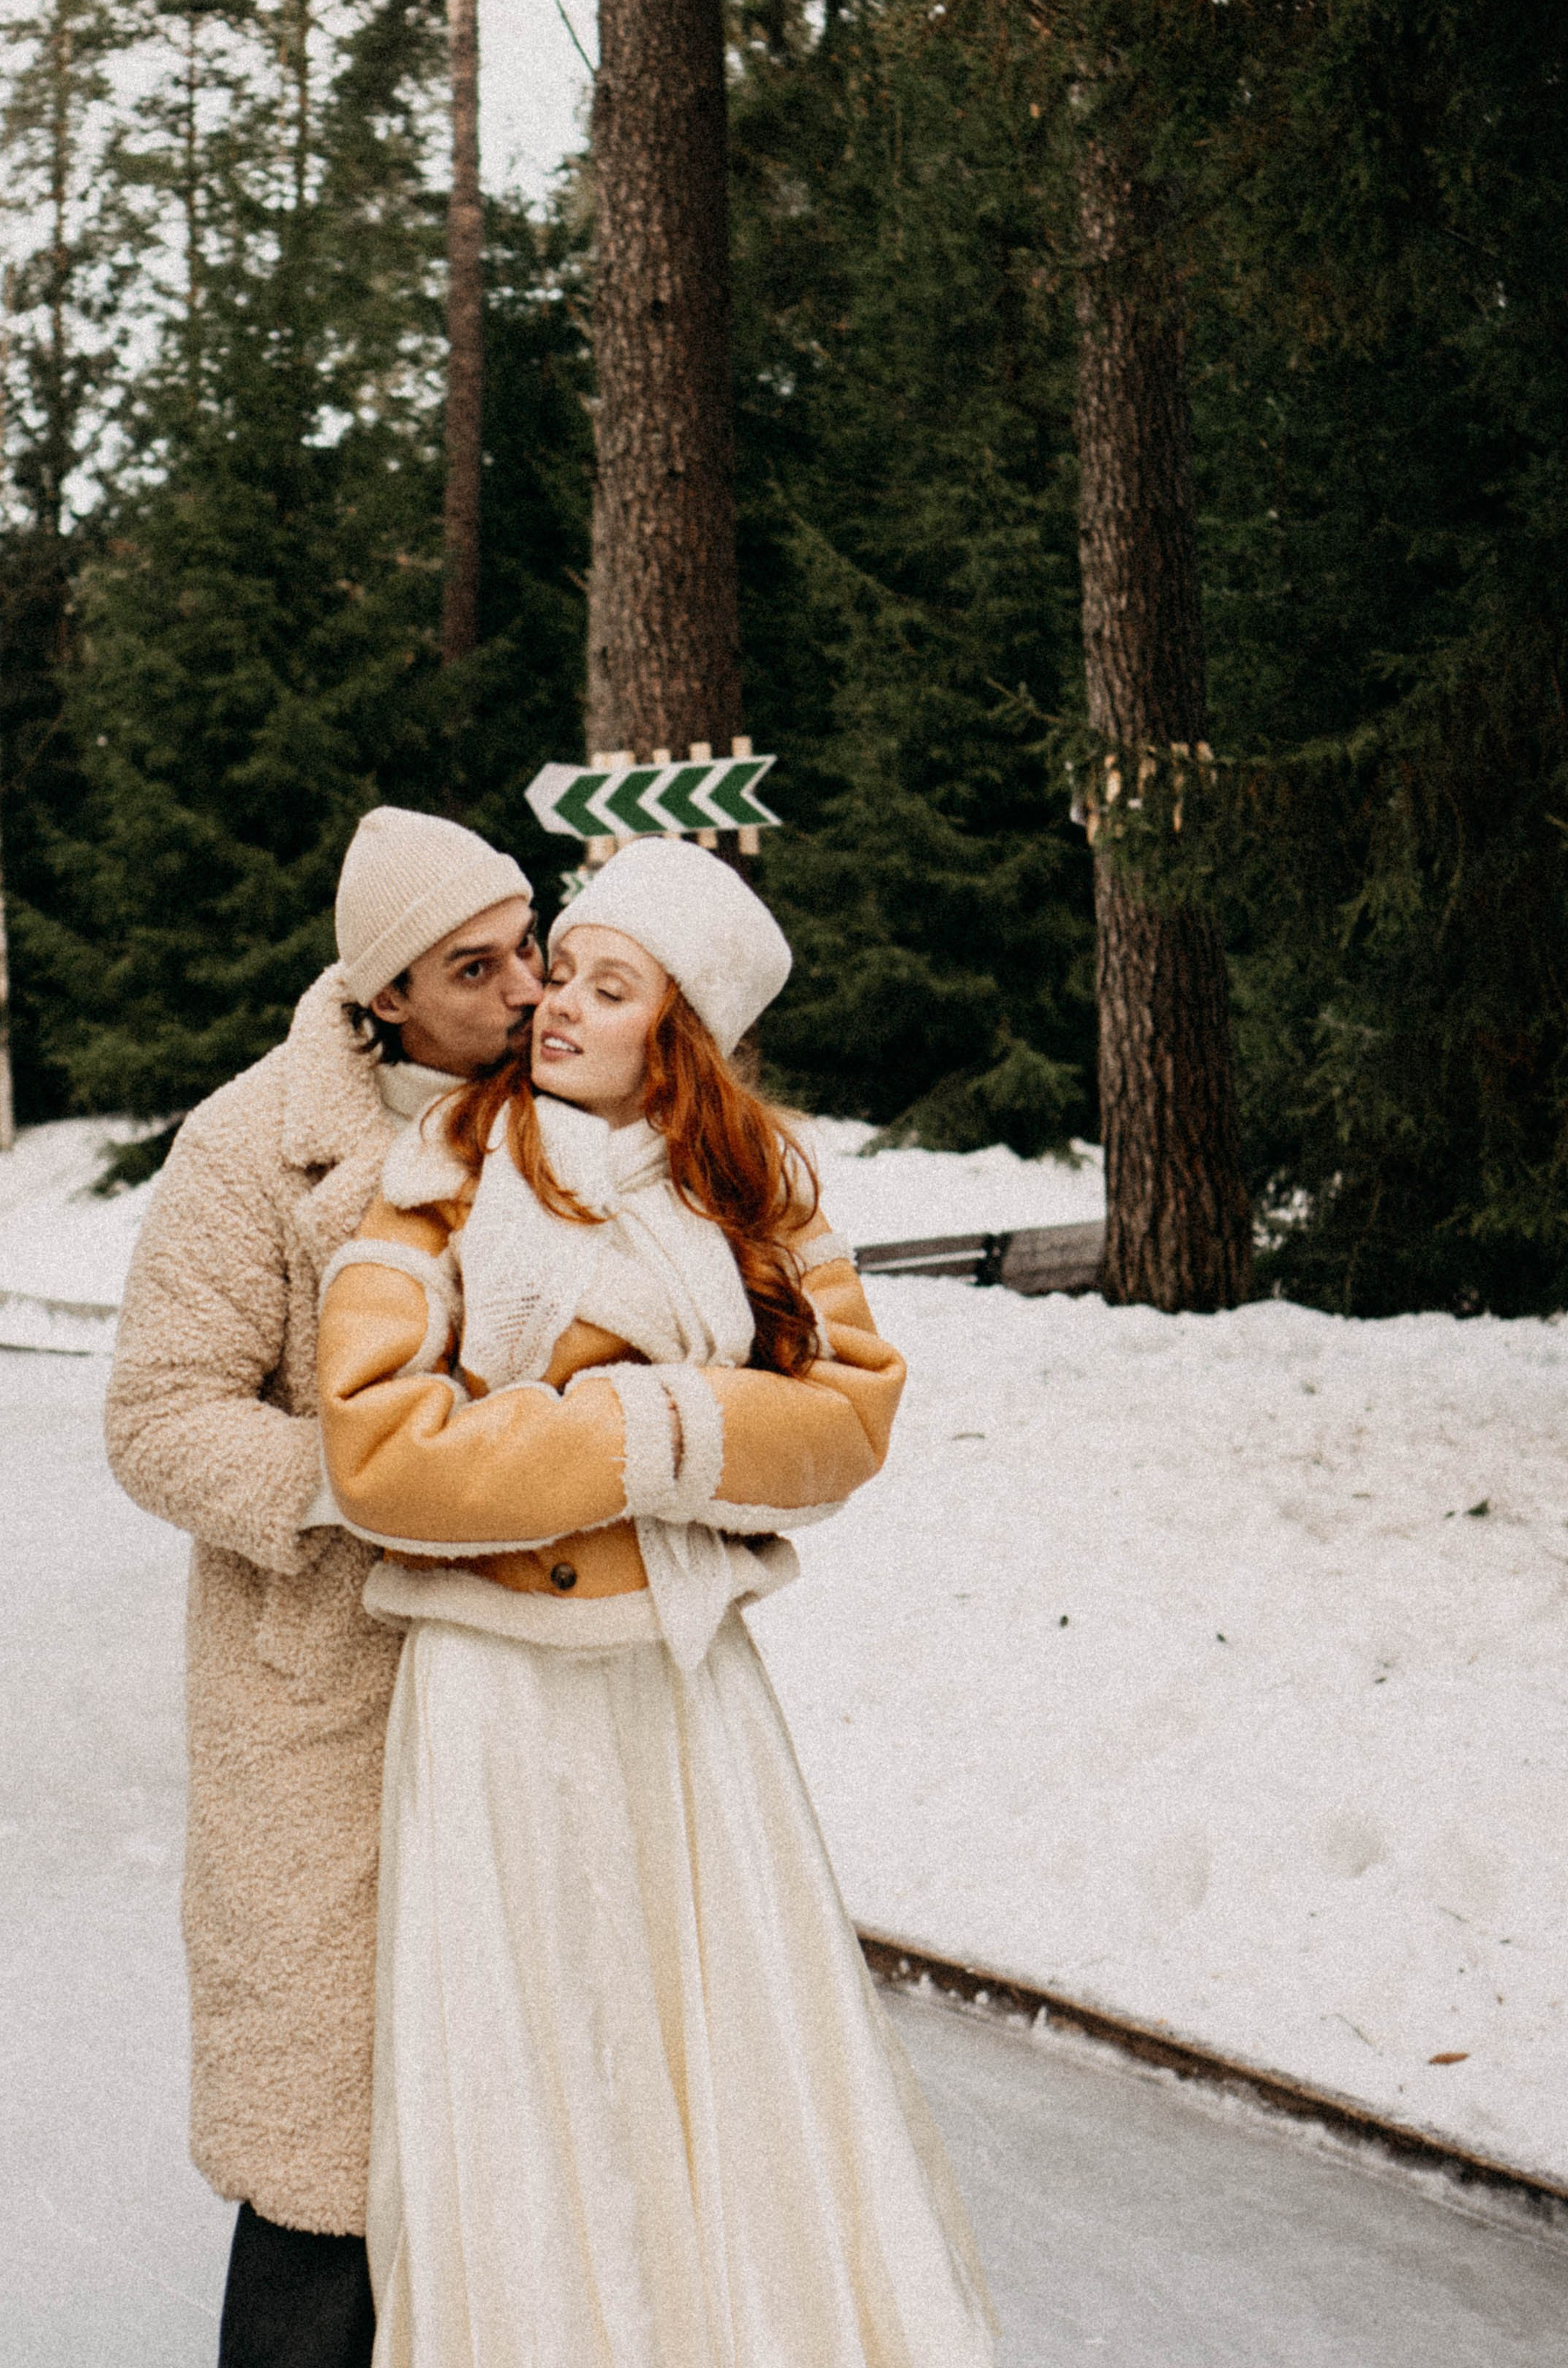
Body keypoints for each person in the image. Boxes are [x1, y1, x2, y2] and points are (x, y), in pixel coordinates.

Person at [316, 838, 998, 2367]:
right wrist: (629, 1435)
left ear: (675, 1031)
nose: (553, 1003)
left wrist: (667, 1422)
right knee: (542, 2076)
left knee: (734, 2062)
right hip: (500, 1689)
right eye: (559, 967)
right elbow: (376, 1451)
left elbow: (845, 1419)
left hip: (687, 1696)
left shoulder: (753, 1189)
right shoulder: (445, 1173)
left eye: (604, 986)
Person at [104, 805, 549, 2368]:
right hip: (325, 1711)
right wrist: (368, 1484)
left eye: (528, 947)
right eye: (473, 966)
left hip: (534, 1691)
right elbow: (158, 1420)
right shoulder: (246, 1144)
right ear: (383, 997)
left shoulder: (572, 1116)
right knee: (326, 2171)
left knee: (520, 2144)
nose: (522, 991)